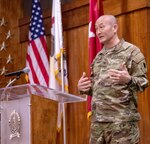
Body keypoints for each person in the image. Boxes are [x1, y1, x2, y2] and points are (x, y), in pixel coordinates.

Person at [77, 15, 149, 144]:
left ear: (114, 28)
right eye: (96, 28)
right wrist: (85, 88)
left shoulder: (131, 52)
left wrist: (128, 80)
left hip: (122, 124)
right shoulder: (99, 57)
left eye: (102, 27)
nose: (98, 31)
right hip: (98, 125)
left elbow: (143, 83)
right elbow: (97, 88)